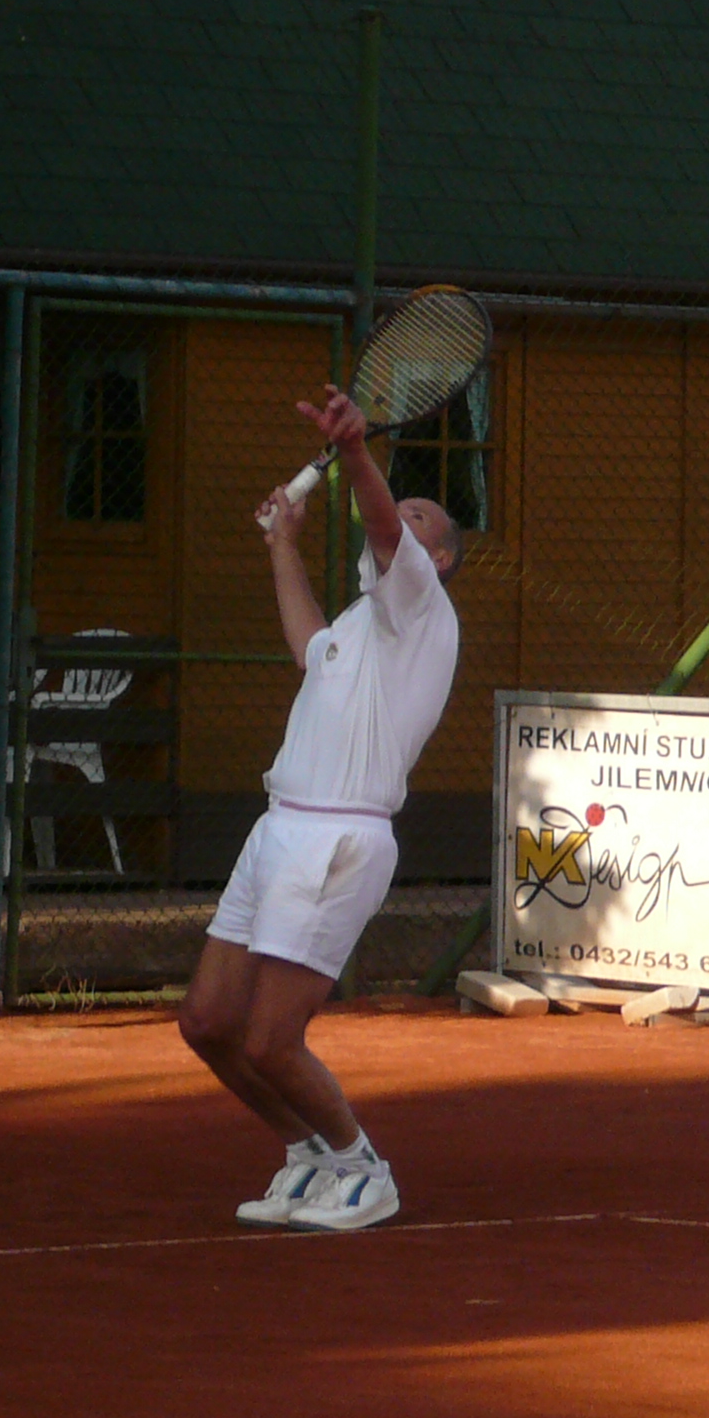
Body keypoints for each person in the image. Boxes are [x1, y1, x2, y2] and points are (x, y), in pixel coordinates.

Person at [176, 386, 463, 1232]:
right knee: (207, 1022)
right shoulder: (362, 621)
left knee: (271, 1039)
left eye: (418, 516)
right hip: (278, 830)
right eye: (402, 507)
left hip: (340, 838)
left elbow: (382, 528)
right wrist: (283, 544)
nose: (400, 518)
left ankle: (363, 1168)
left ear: (439, 558)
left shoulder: (420, 605)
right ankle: (309, 1155)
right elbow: (310, 649)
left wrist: (358, 453)